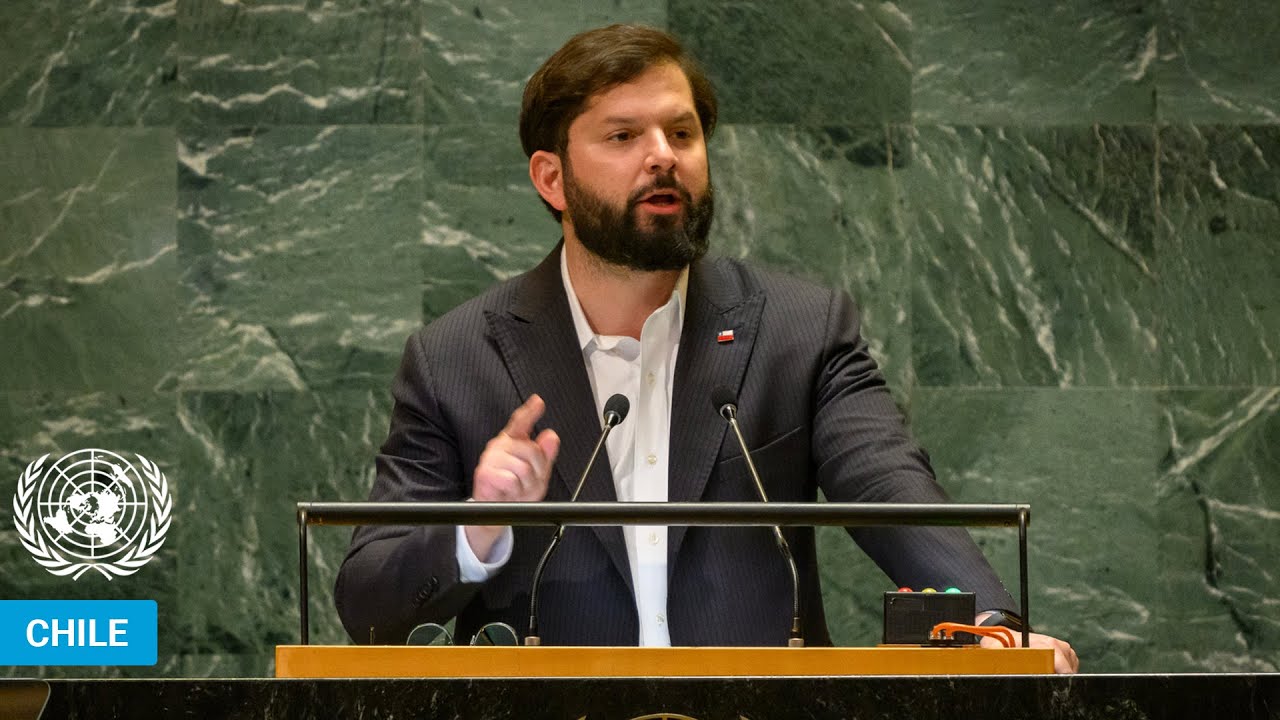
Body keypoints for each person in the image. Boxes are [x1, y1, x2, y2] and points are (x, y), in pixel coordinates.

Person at [335, 23, 1078, 673]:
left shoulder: (799, 331)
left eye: (681, 134)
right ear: (551, 178)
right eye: (624, 136)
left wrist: (991, 626)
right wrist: (477, 526)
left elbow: (889, 489)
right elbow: (367, 605)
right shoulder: (455, 357)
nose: (664, 157)